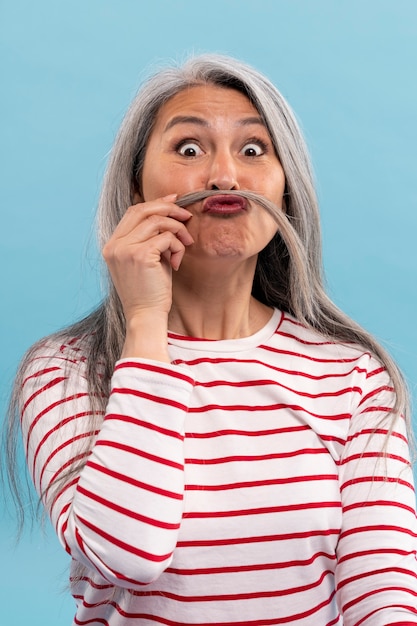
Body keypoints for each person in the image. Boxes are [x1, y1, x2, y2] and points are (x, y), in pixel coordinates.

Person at [5, 54, 417, 625]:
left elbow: (383, 595)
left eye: (254, 150)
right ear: (135, 187)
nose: (225, 176)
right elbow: (128, 554)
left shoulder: (353, 376)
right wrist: (147, 317)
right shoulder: (64, 372)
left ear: (285, 191)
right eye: (189, 149)